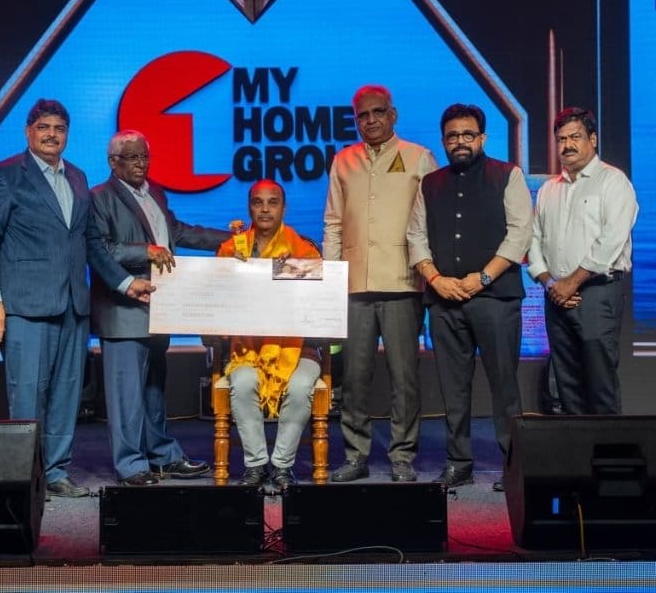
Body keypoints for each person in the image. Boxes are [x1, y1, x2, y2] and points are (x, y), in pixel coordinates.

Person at [0, 100, 153, 499]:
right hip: (25, 305)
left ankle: (56, 472)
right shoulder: (4, 174)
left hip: (74, 305)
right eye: (43, 127)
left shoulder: (77, 177)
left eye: (59, 128)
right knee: (28, 394)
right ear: (28, 131)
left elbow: (91, 242)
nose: (51, 135)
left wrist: (126, 283)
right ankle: (25, 479)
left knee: (66, 393)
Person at [89, 129, 231, 487]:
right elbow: (101, 249)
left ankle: (163, 456)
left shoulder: (155, 194)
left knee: (154, 391)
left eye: (145, 157)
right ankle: (131, 465)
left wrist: (232, 241)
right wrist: (146, 251)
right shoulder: (99, 198)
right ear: (113, 162)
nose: (141, 164)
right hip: (123, 311)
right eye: (133, 157)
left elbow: (178, 232)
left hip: (159, 307)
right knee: (126, 396)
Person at [406, 103, 532, 492]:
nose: (460, 141)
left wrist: (483, 278)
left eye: (467, 134)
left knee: (504, 386)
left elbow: (520, 233)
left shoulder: (507, 175)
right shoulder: (430, 183)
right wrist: (435, 279)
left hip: (496, 299)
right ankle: (458, 462)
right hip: (444, 300)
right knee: (453, 388)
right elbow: (415, 236)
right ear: (443, 141)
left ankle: (514, 467)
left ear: (482, 138)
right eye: (452, 136)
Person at [322, 85, 439, 483]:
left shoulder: (419, 157)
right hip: (355, 285)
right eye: (363, 115)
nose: (370, 120)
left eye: (378, 112)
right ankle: (355, 456)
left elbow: (430, 221)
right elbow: (333, 223)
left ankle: (402, 456)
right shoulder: (343, 160)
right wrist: (332, 278)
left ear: (393, 115)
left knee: (404, 378)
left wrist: (429, 272)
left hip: (403, 282)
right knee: (354, 379)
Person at [527, 107, 639, 415]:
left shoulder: (613, 181)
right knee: (567, 384)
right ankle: (575, 445)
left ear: (593, 139)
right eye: (561, 139)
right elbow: (533, 239)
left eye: (575, 137)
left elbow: (611, 241)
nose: (567, 145)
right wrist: (550, 283)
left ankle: (606, 446)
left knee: (599, 384)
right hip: (556, 296)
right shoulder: (549, 189)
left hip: (596, 293)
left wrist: (571, 283)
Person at [215, 180, 323, 490]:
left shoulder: (304, 250)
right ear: (249, 208)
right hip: (247, 349)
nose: (265, 209)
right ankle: (256, 465)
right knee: (243, 382)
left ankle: (282, 466)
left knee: (300, 386)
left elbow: (318, 306)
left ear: (283, 208)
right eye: (258, 202)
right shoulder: (231, 250)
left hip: (298, 348)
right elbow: (217, 302)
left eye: (272, 202)